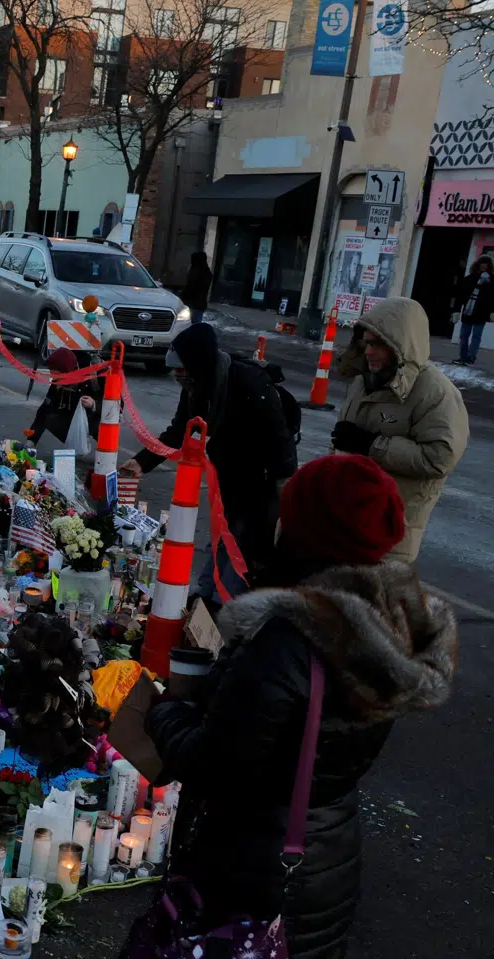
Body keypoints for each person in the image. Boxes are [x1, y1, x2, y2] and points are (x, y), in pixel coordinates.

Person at [134, 454, 456, 959]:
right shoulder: (390, 629)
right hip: (326, 857)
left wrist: (163, 710)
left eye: (290, 512)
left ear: (312, 533)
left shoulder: (289, 641)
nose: (278, 521)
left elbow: (212, 765)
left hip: (252, 867)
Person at [122, 323, 296, 599]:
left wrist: (285, 488)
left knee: (242, 547)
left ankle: (221, 605)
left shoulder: (247, 382)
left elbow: (279, 438)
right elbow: (181, 429)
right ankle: (206, 596)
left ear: (198, 363)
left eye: (181, 368)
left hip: (260, 480)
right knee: (223, 537)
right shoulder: (195, 385)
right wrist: (142, 462)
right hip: (228, 476)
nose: (176, 375)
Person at [331, 297, 468, 561]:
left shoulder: (436, 393)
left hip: (392, 532)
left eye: (378, 344)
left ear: (402, 346)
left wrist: (372, 445)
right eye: (367, 343)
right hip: (348, 518)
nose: (369, 352)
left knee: (375, 600)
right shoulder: (365, 380)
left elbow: (439, 457)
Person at [25, 348, 101, 458]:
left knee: (101, 426)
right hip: (73, 416)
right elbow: (45, 409)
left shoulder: (95, 374)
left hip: (96, 416)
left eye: (56, 375)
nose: (54, 379)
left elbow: (116, 404)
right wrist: (31, 441)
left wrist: (94, 405)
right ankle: (77, 444)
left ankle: (107, 457)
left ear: (68, 372)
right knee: (48, 417)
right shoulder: (58, 380)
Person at [454, 255, 493, 365]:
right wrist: (456, 310)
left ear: (489, 266)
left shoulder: (491, 281)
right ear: (478, 264)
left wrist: (492, 311)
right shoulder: (469, 279)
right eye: (482, 263)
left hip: (481, 313)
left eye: (486, 263)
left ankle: (471, 358)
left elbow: (492, 298)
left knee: (476, 336)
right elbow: (461, 295)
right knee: (464, 335)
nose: (484, 265)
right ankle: (463, 357)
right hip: (468, 312)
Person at [182, 251, 213, 324]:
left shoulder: (197, 272)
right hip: (197, 304)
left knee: (191, 324)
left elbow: (192, 287)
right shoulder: (206, 271)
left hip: (194, 303)